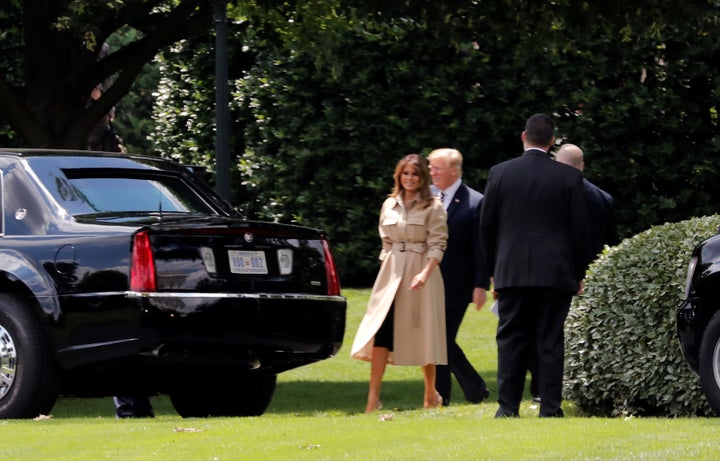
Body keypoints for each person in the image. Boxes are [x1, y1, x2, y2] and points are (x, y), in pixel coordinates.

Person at [480, 114, 589, 418]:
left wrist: (493, 270)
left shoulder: (500, 173)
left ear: (523, 136)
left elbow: (487, 226)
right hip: (556, 271)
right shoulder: (569, 177)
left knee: (511, 337)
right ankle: (550, 407)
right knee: (550, 338)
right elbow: (579, 231)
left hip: (511, 270)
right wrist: (578, 271)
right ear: (553, 141)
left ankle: (507, 407)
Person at [351, 153, 448, 413]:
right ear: (398, 176)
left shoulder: (433, 206)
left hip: (420, 273)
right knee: (381, 332)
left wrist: (424, 274)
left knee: (423, 332)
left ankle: (430, 391)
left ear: (423, 177)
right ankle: (372, 399)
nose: (410, 178)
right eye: (405, 173)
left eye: (415, 174)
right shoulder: (389, 204)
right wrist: (387, 271)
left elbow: (437, 245)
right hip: (391, 274)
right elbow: (385, 242)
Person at [427, 148, 490, 406]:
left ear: (454, 171)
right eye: (430, 167)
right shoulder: (427, 197)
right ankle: (460, 391)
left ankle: (463, 389)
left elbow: (481, 247)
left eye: (436, 168)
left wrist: (480, 285)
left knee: (439, 338)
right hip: (429, 280)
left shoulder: (475, 202)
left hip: (457, 284)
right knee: (438, 339)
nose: (431, 172)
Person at [555, 143, 619, 260]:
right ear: (582, 165)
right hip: (593, 270)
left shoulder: (549, 194)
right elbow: (611, 242)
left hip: (559, 268)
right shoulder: (604, 198)